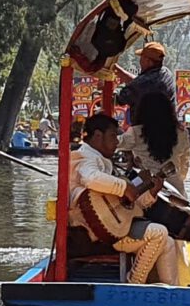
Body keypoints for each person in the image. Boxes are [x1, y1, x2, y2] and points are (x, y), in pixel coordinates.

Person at [71, 112, 181, 284]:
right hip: (92, 232)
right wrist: (124, 187)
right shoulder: (84, 157)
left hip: (113, 226)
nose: (117, 142)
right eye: (113, 136)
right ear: (98, 136)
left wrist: (151, 193)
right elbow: (90, 178)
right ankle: (134, 284)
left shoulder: (106, 162)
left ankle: (171, 292)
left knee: (167, 242)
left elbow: (130, 206)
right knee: (158, 232)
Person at [118, 41, 188, 191]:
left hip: (146, 187)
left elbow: (122, 98)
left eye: (141, 58)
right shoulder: (166, 74)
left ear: (148, 61)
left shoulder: (136, 134)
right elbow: (184, 163)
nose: (140, 61)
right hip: (176, 187)